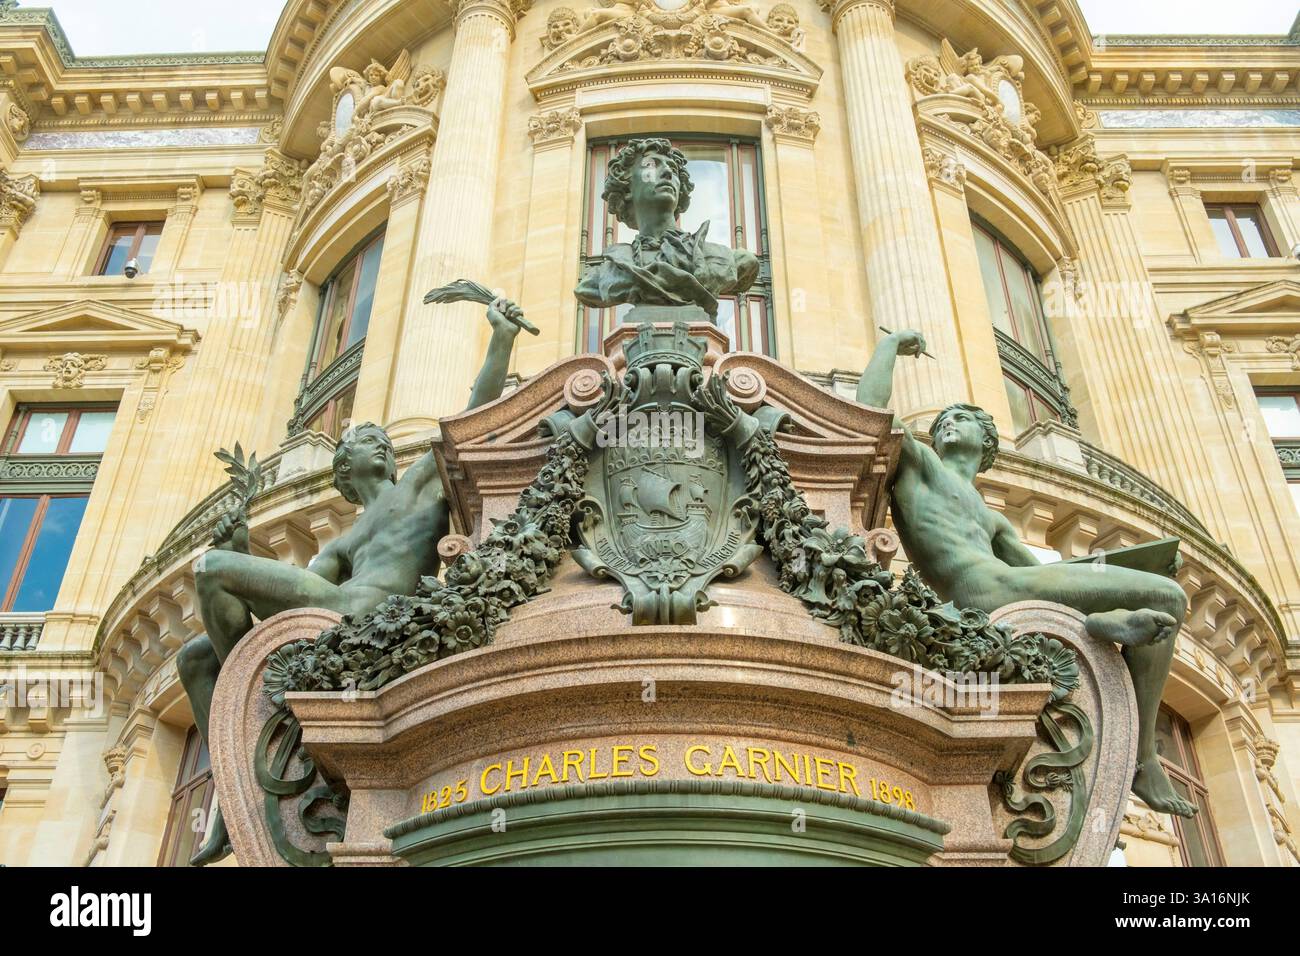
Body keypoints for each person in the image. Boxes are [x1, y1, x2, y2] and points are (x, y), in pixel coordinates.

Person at [178, 298, 524, 864]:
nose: (376, 442)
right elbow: (284, 621)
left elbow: (471, 413)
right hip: (333, 615)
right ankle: (231, 783)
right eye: (363, 440)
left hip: (366, 616)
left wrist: (501, 339)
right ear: (346, 469)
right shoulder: (341, 543)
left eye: (377, 440)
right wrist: (240, 546)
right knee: (194, 656)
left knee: (212, 570)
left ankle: (265, 726)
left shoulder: (417, 488)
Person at [858, 328, 1196, 818]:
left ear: (986, 441)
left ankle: (1101, 641)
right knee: (1164, 598)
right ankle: (1141, 755)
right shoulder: (921, 464)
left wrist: (1140, 562)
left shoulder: (992, 519)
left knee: (1166, 595)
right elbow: (871, 411)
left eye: (962, 419)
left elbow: (1047, 577)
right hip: (978, 590)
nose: (949, 423)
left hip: (1009, 587)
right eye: (944, 420)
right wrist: (890, 347)